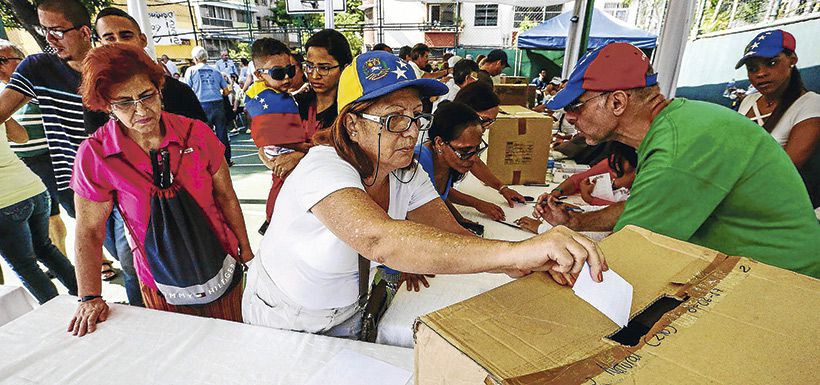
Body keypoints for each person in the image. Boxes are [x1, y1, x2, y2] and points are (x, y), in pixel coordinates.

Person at [241, 50, 606, 338]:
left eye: (417, 116)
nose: (411, 132)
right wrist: (516, 251)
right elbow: (379, 239)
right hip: (285, 318)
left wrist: (522, 262)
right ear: (351, 124)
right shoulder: (324, 168)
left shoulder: (406, 171)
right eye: (394, 119)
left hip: (348, 311)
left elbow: (453, 236)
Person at [535, 42, 820, 278]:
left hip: (785, 280)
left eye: (575, 106)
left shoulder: (676, 147)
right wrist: (575, 221)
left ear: (618, 102)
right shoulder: (677, 124)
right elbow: (643, 208)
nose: (570, 118)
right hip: (759, 271)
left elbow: (626, 255)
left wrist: (540, 256)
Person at [68, 44, 254, 336]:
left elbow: (226, 196)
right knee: (178, 350)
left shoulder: (197, 133)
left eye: (146, 96)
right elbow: (89, 230)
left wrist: (246, 251)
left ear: (159, 88)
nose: (141, 110)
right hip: (160, 280)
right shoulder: (96, 154)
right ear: (107, 106)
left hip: (221, 264)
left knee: (236, 340)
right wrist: (90, 296)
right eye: (124, 102)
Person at [0, 0, 143, 295]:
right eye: (44, 30)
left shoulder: (110, 67)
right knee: (120, 253)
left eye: (57, 31)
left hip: (126, 178)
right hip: (80, 186)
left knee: (133, 259)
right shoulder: (38, 68)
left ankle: (147, 311)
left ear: (83, 32)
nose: (49, 39)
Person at [257, 29, 353, 234]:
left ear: (344, 68)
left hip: (327, 210)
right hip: (286, 201)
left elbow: (352, 158)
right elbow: (267, 145)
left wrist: (301, 157)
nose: (315, 74)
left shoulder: (350, 113)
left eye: (325, 68)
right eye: (309, 66)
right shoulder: (294, 104)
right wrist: (269, 157)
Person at [0, 39, 71, 262]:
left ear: (20, 61)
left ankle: (100, 261)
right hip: (24, 164)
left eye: (2, 60)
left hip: (53, 159)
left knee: (76, 211)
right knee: (50, 217)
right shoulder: (4, 95)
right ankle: (65, 261)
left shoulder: (39, 85)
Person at [735, 29, 820, 207]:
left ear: (792, 60)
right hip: (737, 193)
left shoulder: (811, 104)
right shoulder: (749, 102)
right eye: (752, 68)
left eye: (771, 63)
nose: (760, 74)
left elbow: (784, 171)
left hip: (776, 204)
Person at [89, 7, 207, 130]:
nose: (119, 43)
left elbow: (203, 140)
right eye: (109, 39)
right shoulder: (98, 97)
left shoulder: (179, 91)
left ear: (143, 40)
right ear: (101, 44)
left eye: (126, 36)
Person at [1, 118, 78, 304]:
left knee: (25, 265)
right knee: (45, 249)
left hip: (5, 201)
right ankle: (89, 297)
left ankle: (59, 315)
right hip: (34, 189)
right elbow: (22, 137)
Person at [416, 101, 510, 223]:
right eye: (465, 150)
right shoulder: (418, 164)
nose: (474, 158)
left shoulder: (446, 158)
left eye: (477, 149)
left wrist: (460, 220)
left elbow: (438, 195)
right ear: (440, 143)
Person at [450, 82, 527, 213]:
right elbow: (437, 190)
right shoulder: (446, 136)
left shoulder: (465, 133)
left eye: (492, 121)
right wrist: (477, 204)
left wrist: (502, 188)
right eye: (484, 120)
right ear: (465, 109)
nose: (488, 126)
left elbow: (474, 161)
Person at [185, 46, 232, 165]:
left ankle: (209, 161)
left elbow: (187, 90)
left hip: (201, 104)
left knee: (204, 134)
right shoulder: (216, 70)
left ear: (195, 58)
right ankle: (227, 159)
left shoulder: (191, 71)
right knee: (222, 133)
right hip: (217, 102)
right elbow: (226, 91)